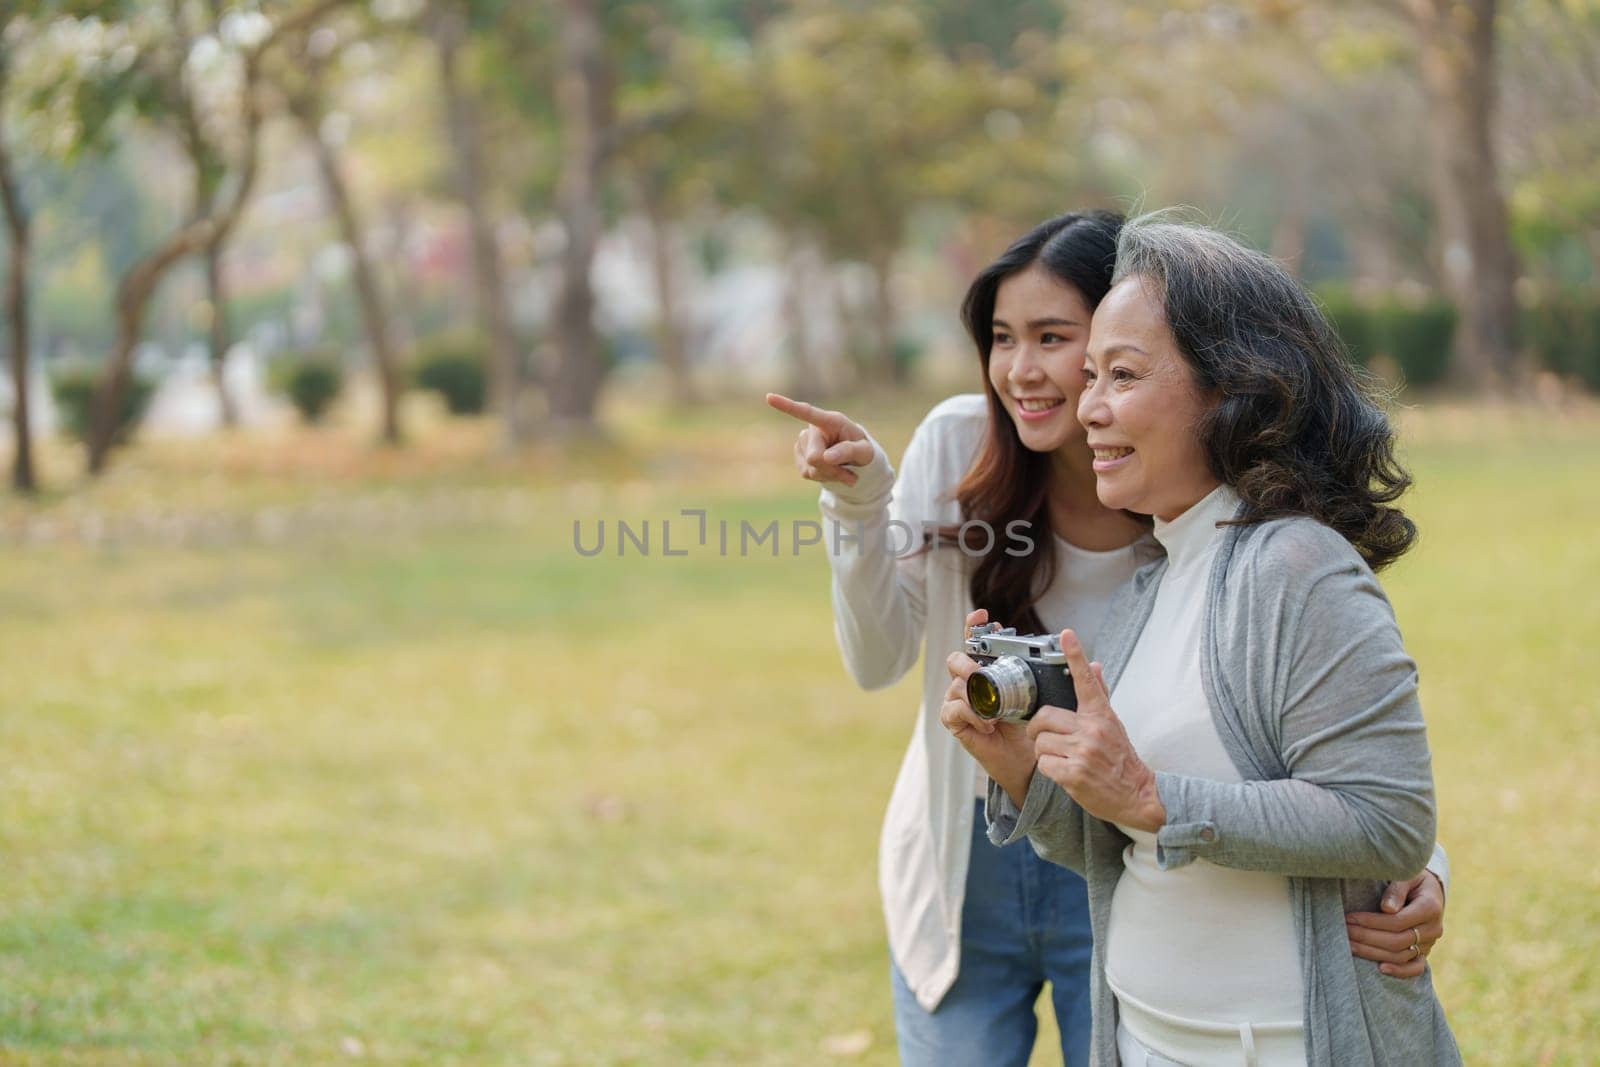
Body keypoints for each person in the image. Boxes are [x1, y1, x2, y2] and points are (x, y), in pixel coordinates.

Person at [768, 212, 1448, 1067]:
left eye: (1079, 351)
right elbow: (881, 662)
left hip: (1201, 939)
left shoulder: (1250, 547)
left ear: (1215, 379)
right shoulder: (1124, 545)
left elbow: (1357, 766)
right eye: (1004, 339)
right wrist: (1023, 771)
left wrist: (1424, 868)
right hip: (1005, 867)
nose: (1035, 375)